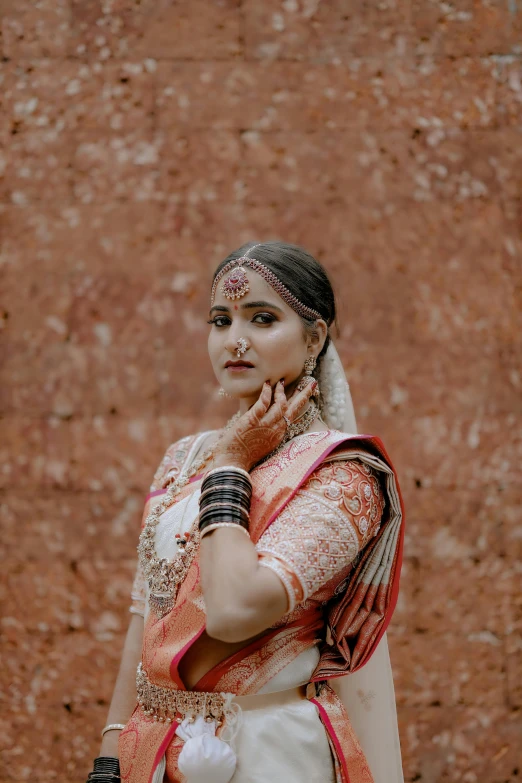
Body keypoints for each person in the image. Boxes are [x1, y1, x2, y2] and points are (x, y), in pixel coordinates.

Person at [85, 242, 405, 783]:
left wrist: (232, 464)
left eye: (262, 318)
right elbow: (149, 613)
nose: (235, 339)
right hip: (157, 750)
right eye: (220, 319)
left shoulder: (341, 473)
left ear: (315, 338)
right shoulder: (182, 458)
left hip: (271, 749)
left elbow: (233, 611)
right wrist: (112, 747)